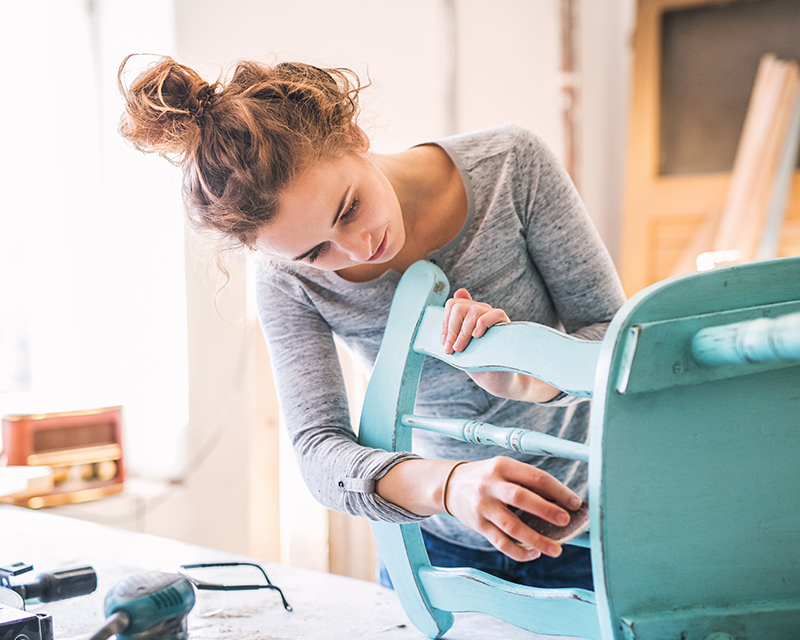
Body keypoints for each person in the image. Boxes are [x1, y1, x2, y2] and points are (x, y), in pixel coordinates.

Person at [118, 55, 626, 592]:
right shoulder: (287, 280)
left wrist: (524, 375)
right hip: (433, 552)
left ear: (353, 136)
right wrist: (448, 486)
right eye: (317, 250)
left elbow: (614, 339)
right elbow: (318, 450)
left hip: (596, 533)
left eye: (349, 207)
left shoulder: (511, 166)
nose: (359, 246)